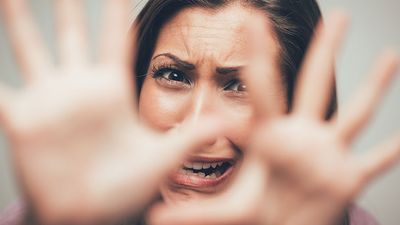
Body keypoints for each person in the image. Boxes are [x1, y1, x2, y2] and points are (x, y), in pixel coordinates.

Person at [0, 0, 399, 225]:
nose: (196, 125)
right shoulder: (47, 216)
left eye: (237, 85)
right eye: (173, 75)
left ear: (296, 107)